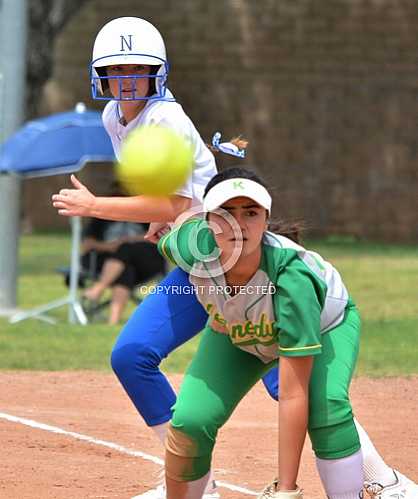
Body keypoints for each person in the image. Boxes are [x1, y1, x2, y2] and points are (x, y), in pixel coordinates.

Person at [51, 16, 277, 499]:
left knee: (283, 373)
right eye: (117, 69)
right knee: (132, 355)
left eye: (139, 68)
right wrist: (163, 221)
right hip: (196, 262)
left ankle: (376, 478)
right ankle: (194, 482)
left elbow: (175, 201)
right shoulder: (114, 118)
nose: (128, 78)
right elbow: (168, 192)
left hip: (234, 262)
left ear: (158, 73)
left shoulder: (166, 118)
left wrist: (96, 207)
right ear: (102, 77)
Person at [155, 167, 418, 499]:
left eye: (250, 213)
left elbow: (293, 394)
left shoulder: (292, 279)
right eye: (225, 213)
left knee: (326, 410)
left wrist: (287, 488)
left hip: (326, 324)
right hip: (237, 332)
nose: (238, 225)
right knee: (190, 422)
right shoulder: (190, 247)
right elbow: (173, 229)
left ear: (266, 219)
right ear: (208, 221)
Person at [81, 217, 166, 324]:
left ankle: (98, 288)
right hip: (106, 263)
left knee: (125, 248)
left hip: (144, 264)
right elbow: (87, 244)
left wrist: (128, 240)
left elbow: (159, 237)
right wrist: (109, 246)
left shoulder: (147, 215)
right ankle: (113, 321)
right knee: (126, 271)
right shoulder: (101, 216)